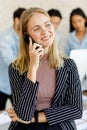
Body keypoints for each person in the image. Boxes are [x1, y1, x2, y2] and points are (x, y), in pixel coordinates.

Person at [7, 7, 83, 130]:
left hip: (59, 126)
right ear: (27, 35)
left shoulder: (68, 65)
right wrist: (32, 67)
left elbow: (76, 110)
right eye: (36, 29)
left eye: (48, 25)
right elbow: (23, 114)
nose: (45, 32)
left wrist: (35, 118)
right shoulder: (15, 68)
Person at [0, 7, 26, 111]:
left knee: (21, 113)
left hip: (18, 84)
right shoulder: (5, 38)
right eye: (25, 21)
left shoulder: (25, 35)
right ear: (17, 20)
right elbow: (10, 61)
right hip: (3, 84)